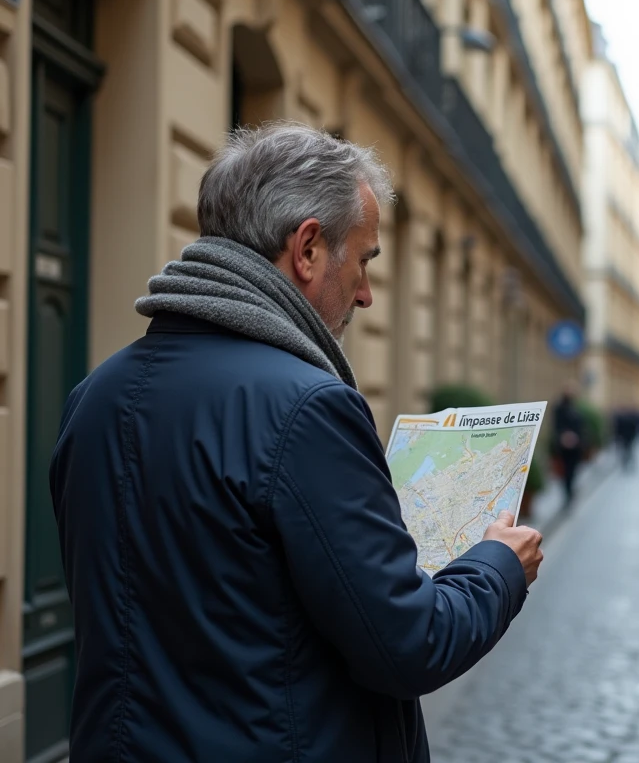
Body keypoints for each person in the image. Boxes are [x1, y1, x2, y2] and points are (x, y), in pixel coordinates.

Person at [49, 122, 544, 762]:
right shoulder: (308, 408)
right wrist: (499, 567)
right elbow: (409, 643)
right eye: (364, 260)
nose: (366, 294)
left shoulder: (93, 398)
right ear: (307, 248)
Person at [552, 381, 586, 506]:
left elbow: (581, 427)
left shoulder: (576, 408)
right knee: (565, 471)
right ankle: (567, 492)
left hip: (576, 447)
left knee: (573, 470)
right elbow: (557, 426)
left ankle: (570, 490)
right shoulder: (559, 408)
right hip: (563, 447)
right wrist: (564, 437)